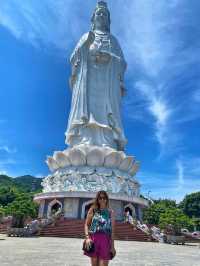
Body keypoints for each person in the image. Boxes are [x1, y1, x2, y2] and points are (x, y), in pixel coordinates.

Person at [84, 191, 116, 266]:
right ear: (97, 199)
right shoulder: (93, 210)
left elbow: (112, 231)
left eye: (104, 198)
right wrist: (87, 237)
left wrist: (112, 246)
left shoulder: (111, 212)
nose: (102, 200)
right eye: (100, 198)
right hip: (94, 239)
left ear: (107, 199)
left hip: (105, 240)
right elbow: (86, 224)